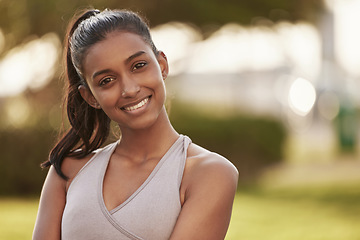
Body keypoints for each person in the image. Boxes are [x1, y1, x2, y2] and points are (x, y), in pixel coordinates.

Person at [33, 8, 238, 240]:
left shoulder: (209, 173)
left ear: (162, 65)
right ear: (90, 97)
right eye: (107, 81)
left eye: (138, 66)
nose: (129, 89)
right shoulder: (68, 171)